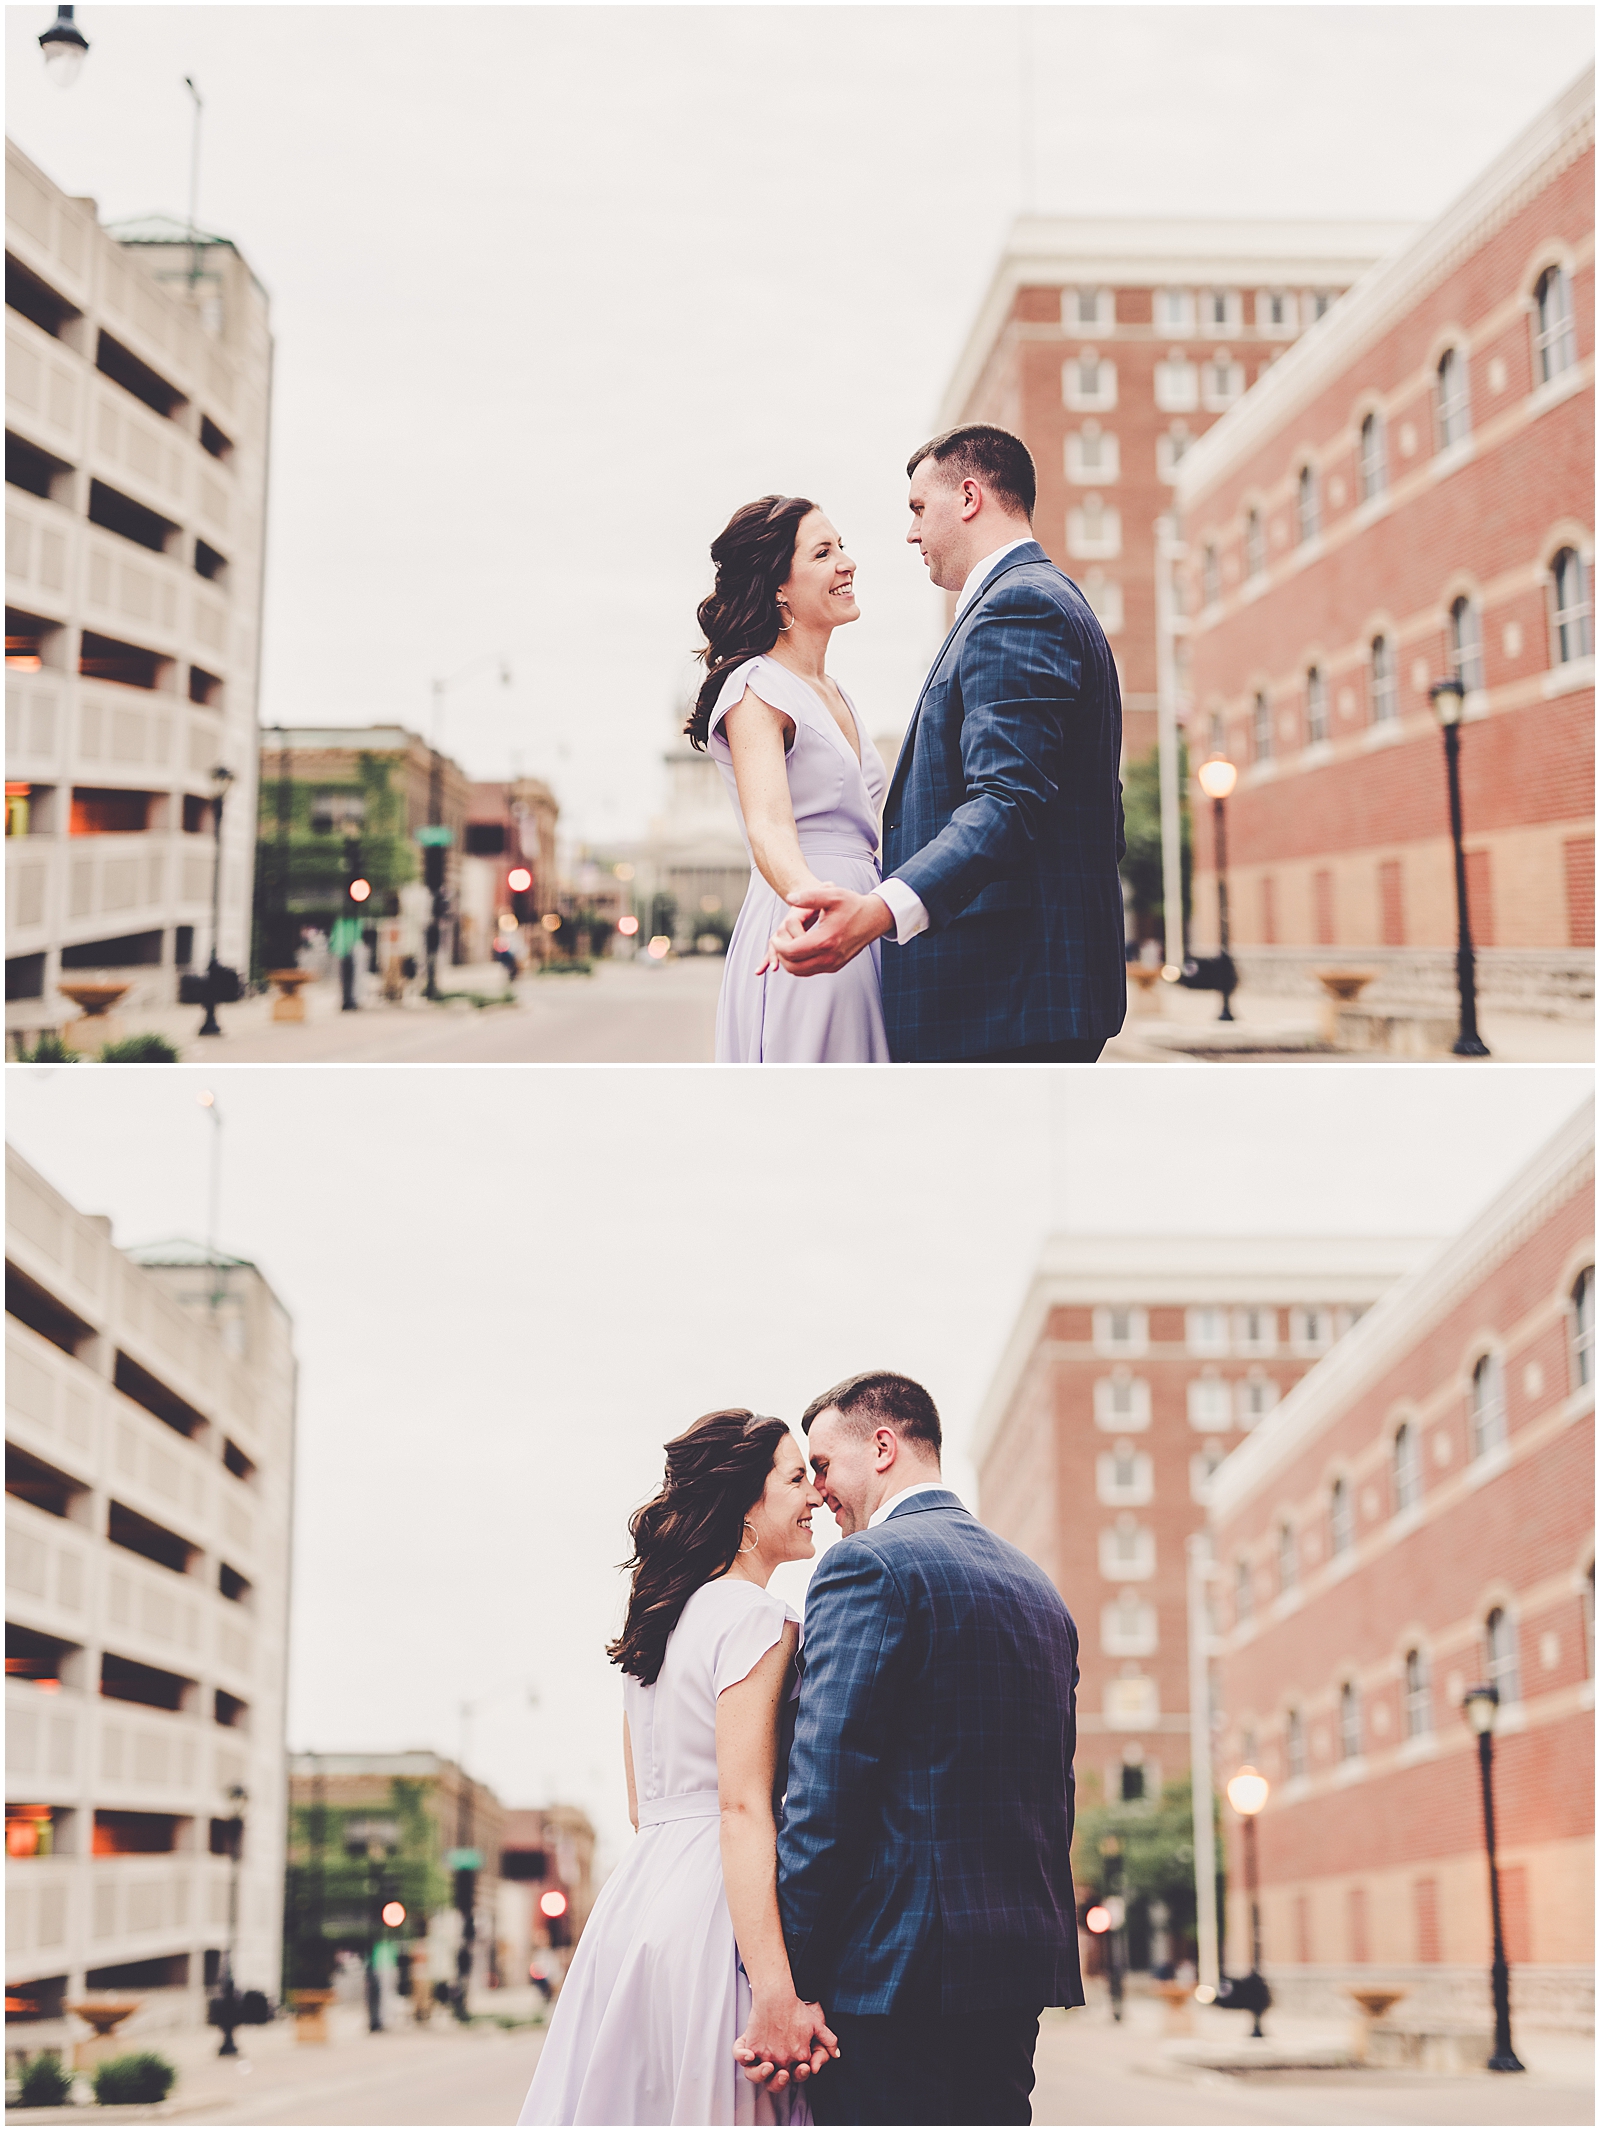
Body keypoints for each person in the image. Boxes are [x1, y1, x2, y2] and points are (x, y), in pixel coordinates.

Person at [736, 1370, 1082, 2126]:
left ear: (883, 1446)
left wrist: (784, 1979)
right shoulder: (1039, 1591)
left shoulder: (867, 1566)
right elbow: (1056, 1793)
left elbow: (824, 1796)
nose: (818, 1490)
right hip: (1015, 1973)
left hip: (891, 1978)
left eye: (822, 1465)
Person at [518, 1410, 837, 2125]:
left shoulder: (655, 1627)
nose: (814, 1494)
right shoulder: (759, 1618)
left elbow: (642, 1806)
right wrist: (776, 1991)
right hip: (718, 1907)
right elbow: (743, 1805)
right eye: (795, 1478)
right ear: (746, 1506)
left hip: (639, 1904)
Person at [770, 425, 1128, 1062]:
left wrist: (880, 913)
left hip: (1005, 995)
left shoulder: (1017, 607)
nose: (910, 534)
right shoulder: (1041, 598)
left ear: (968, 498)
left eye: (916, 509)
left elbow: (1009, 800)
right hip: (1028, 992)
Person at [688, 496, 891, 1063]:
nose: (847, 562)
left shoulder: (836, 691)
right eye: (823, 553)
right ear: (779, 587)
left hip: (863, 915)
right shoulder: (757, 687)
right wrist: (811, 901)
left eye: (842, 547)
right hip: (810, 920)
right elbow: (770, 826)